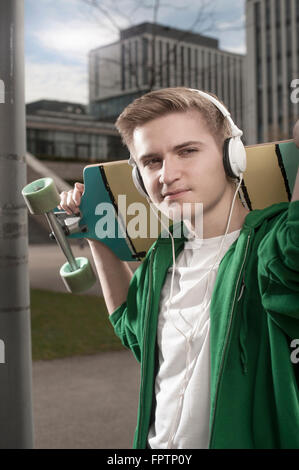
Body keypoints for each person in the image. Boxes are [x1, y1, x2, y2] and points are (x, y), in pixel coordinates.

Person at [59, 87, 299, 449]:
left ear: (231, 156)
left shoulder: (271, 243)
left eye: (187, 151)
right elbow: (133, 327)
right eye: (151, 161)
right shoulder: (161, 257)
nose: (166, 175)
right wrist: (93, 230)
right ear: (139, 178)